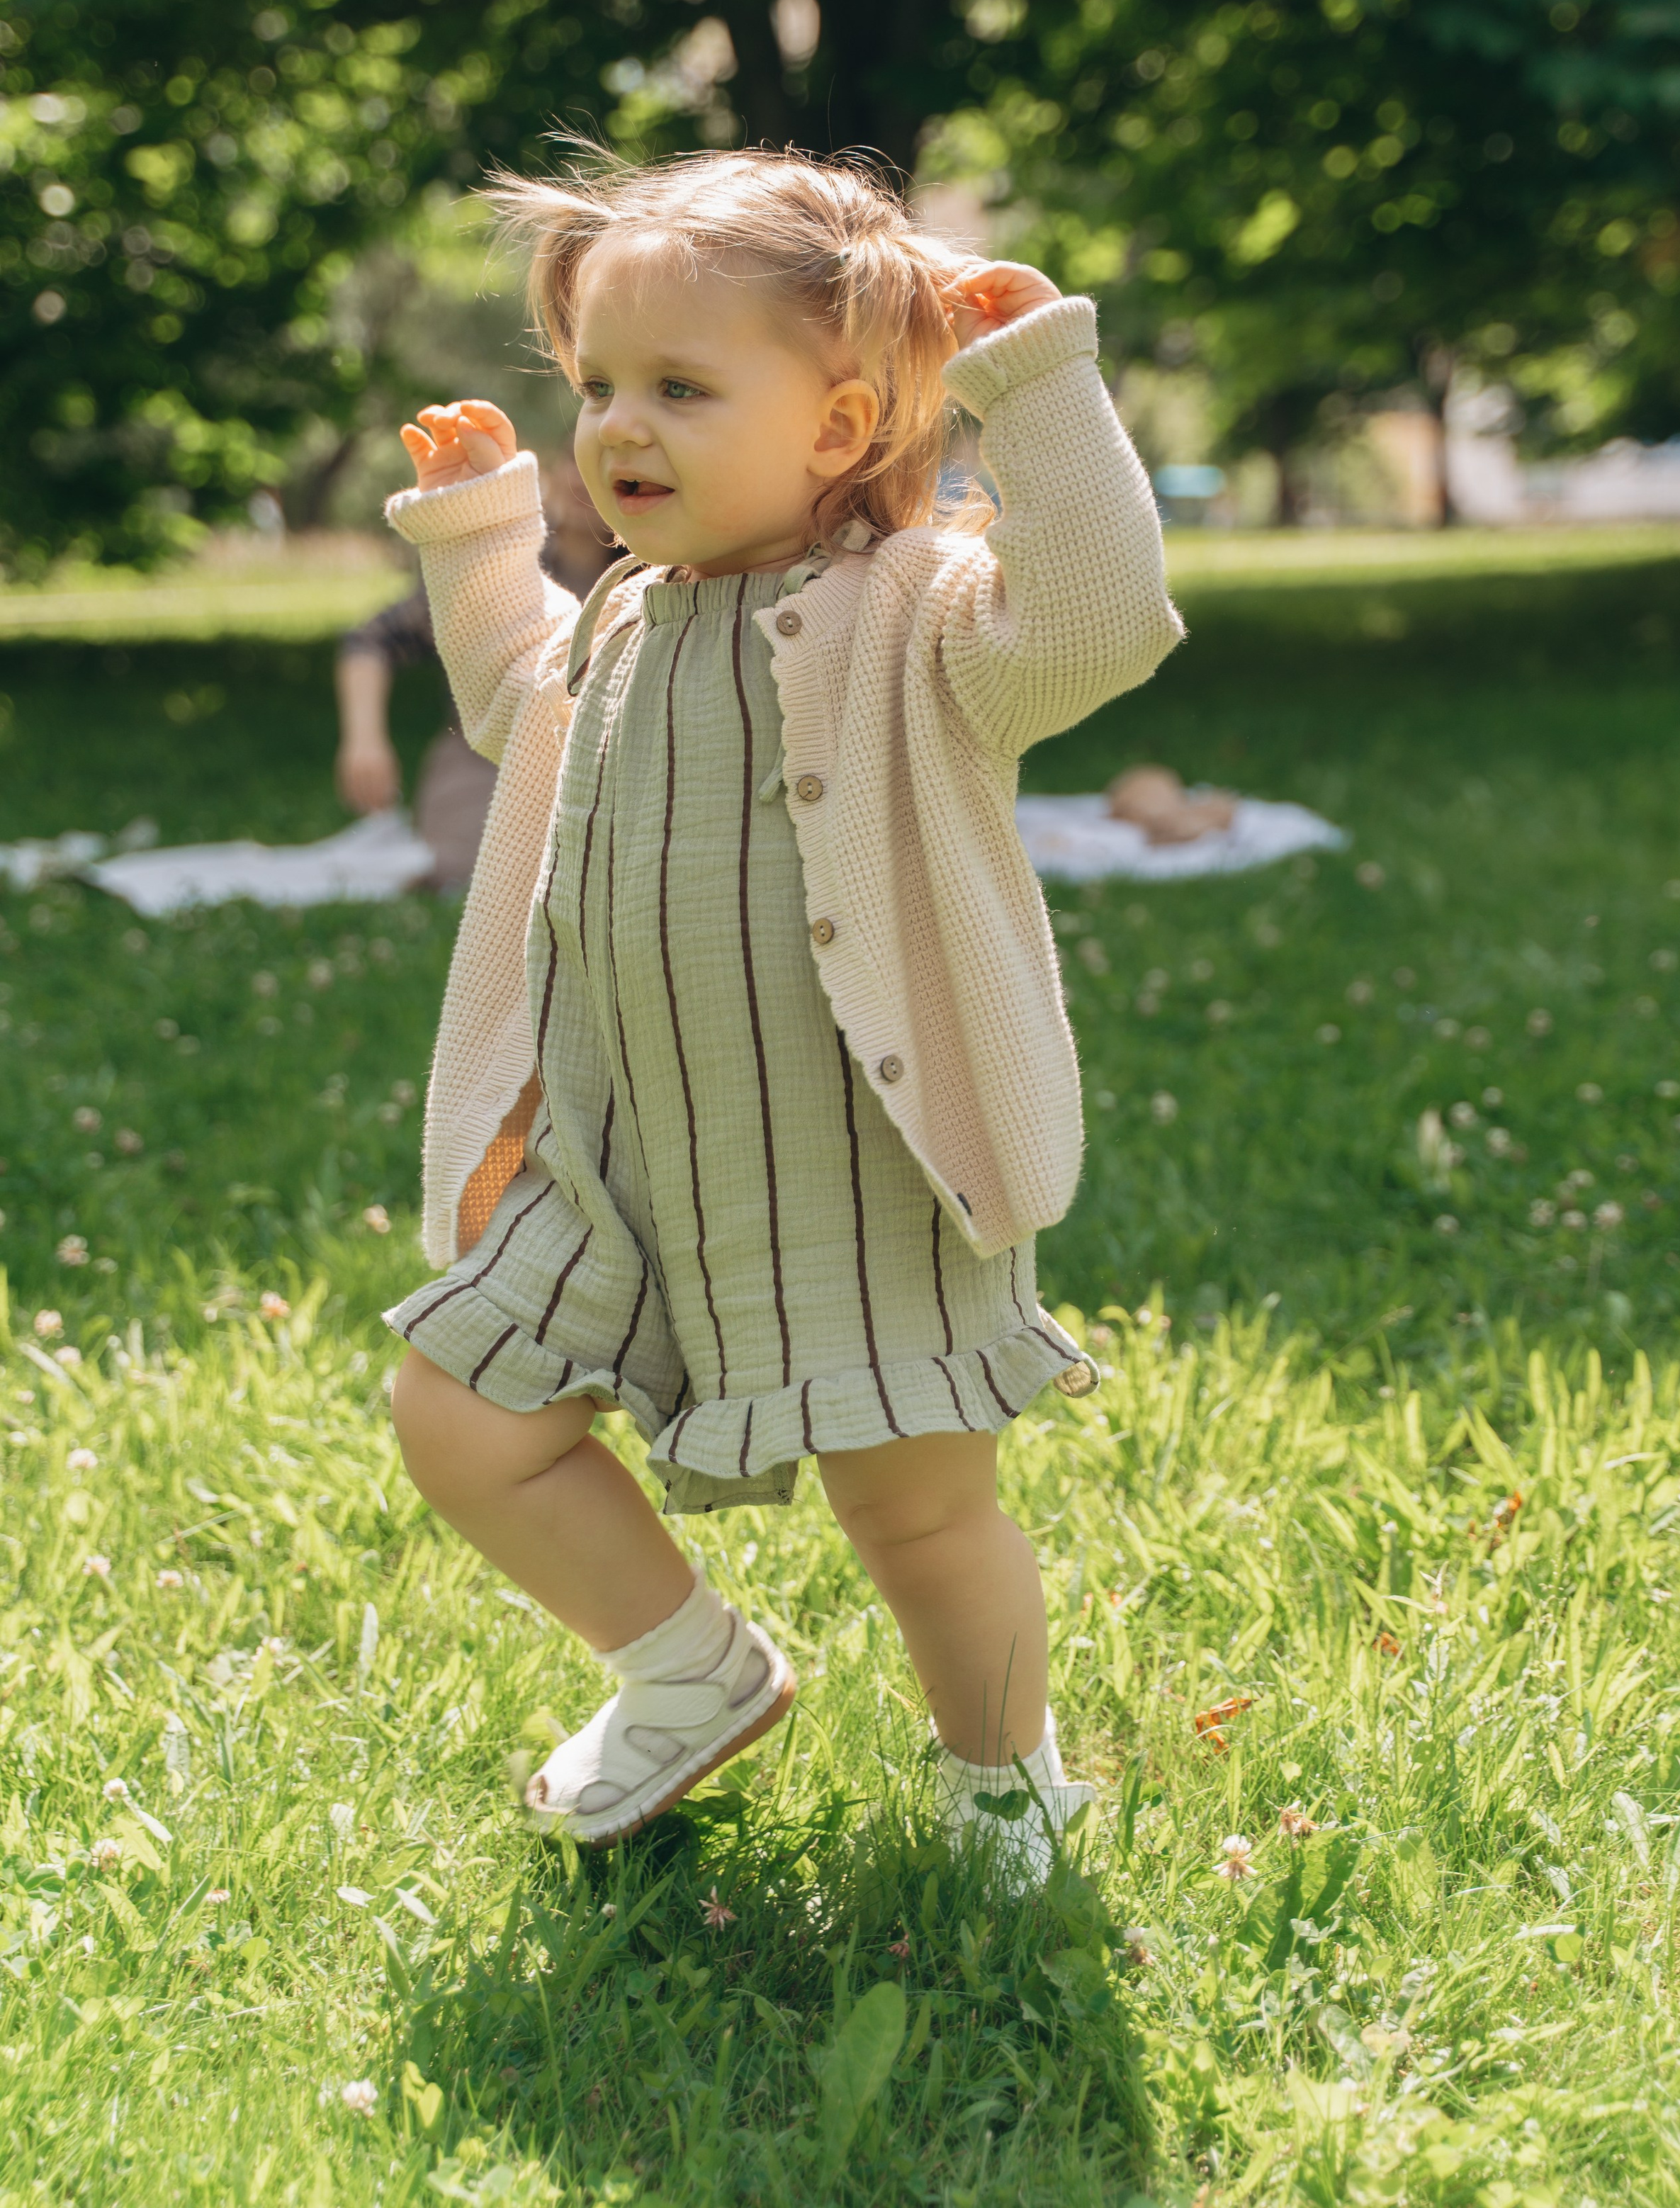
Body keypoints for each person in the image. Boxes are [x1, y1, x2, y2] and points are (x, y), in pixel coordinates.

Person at [378, 148, 1181, 1880]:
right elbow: (516, 708)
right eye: (595, 385)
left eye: (677, 386)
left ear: (832, 427)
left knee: (915, 1508)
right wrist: (476, 540)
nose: (615, 425)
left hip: (853, 1167)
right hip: (613, 1158)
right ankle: (685, 1666)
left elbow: (1102, 623)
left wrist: (1032, 387)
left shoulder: (917, 616)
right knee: (460, 1415)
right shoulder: (619, 615)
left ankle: (1004, 1790)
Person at [334, 451, 615, 892]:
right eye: (574, 460)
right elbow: (372, 641)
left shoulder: (654, 575)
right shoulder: (511, 559)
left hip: (606, 765)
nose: (583, 479)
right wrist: (365, 741)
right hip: (487, 758)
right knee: (471, 876)